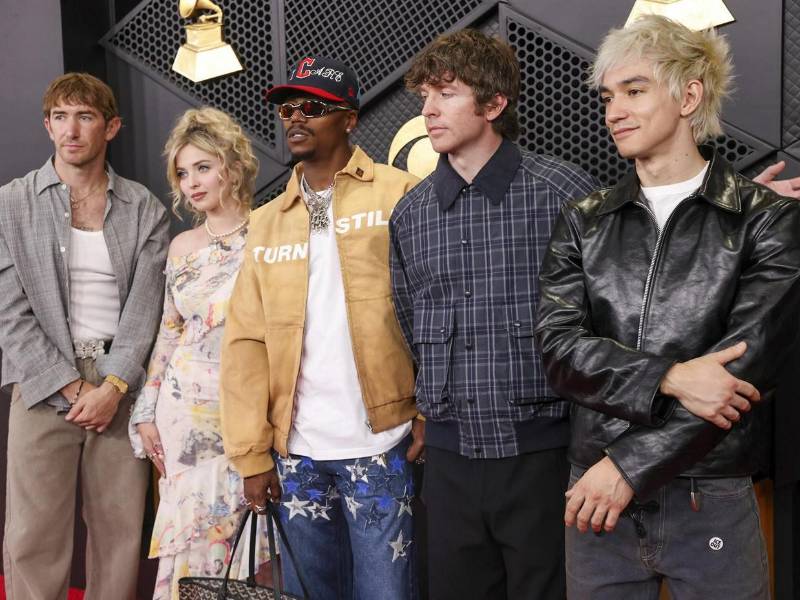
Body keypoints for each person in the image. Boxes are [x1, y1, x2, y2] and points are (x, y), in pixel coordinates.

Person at [535, 15, 800, 598]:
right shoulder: (583, 221)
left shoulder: (766, 218)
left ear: (689, 95)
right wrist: (673, 376)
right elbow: (558, 349)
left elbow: (743, 370)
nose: (614, 111)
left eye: (635, 90)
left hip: (707, 488)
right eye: (607, 96)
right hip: (595, 497)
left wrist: (628, 468)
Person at [389, 30, 597, 599]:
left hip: (545, 456)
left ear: (494, 103)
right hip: (450, 463)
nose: (429, 110)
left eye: (447, 93)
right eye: (424, 96)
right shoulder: (410, 214)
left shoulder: (562, 193)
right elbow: (409, 321)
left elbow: (611, 317)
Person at [219, 56, 424, 599]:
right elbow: (245, 342)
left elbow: (431, 308)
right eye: (289, 108)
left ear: (350, 118)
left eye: (313, 106)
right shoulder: (265, 221)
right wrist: (251, 453)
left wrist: (429, 409)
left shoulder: (397, 193)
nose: (296, 118)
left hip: (382, 443)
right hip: (297, 453)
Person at [0, 73, 169, 599]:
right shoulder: (10, 204)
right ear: (47, 126)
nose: (71, 131)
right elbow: (9, 311)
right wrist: (72, 389)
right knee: (32, 533)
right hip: (41, 383)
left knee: (119, 531)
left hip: (120, 385)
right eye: (60, 117)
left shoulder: (145, 209)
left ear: (111, 127)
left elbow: (147, 310)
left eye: (86, 117)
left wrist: (112, 386)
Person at [129, 106, 267, 599]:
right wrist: (145, 410)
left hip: (243, 413)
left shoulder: (266, 235)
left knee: (243, 548)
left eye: (202, 168)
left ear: (232, 166)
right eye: (182, 173)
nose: (191, 183)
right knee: (186, 541)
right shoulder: (182, 246)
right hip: (181, 414)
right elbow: (169, 333)